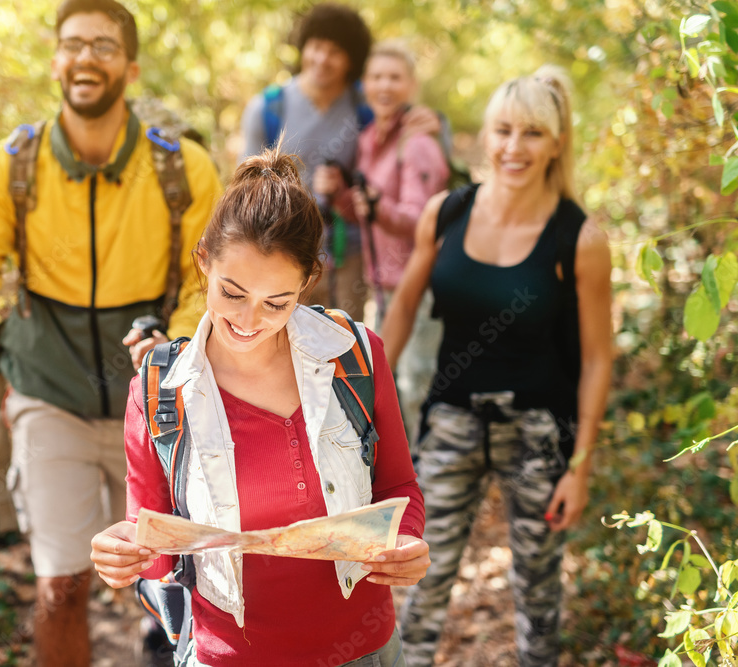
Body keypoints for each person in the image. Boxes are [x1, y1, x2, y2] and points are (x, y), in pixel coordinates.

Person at [0, 1, 221, 664]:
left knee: (170, 578)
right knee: (61, 580)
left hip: (154, 400)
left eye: (101, 45)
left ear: (130, 65)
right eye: (72, 44)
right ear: (56, 59)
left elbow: (206, 280)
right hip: (47, 392)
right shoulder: (11, 166)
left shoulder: (183, 169)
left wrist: (172, 345)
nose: (85, 57)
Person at [90, 148, 430, 666]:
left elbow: (397, 487)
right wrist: (123, 554)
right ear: (204, 259)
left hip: (363, 649)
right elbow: (157, 551)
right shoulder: (161, 390)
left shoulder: (354, 356)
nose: (250, 320)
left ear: (307, 283)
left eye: (277, 303)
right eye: (232, 293)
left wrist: (406, 543)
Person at [380, 65, 612, 666]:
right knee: (419, 580)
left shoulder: (578, 238)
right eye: (503, 130)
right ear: (485, 135)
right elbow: (403, 308)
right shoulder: (447, 213)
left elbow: (597, 359)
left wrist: (580, 466)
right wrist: (368, 402)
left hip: (538, 432)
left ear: (557, 142)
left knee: (537, 595)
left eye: (532, 133)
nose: (514, 147)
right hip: (452, 422)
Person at [240, 3, 437, 322]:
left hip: (350, 255)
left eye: (335, 51)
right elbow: (245, 190)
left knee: (345, 349)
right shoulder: (267, 108)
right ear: (303, 47)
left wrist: (432, 123)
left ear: (352, 60)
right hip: (283, 251)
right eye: (316, 47)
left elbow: (407, 131)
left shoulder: (366, 105)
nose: (322, 59)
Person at [349, 39, 449, 442]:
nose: (384, 86)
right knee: (388, 386)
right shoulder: (370, 138)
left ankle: (433, 481)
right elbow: (367, 209)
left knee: (416, 385)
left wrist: (378, 206)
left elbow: (423, 218)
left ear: (411, 85)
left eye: (394, 77)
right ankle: (408, 483)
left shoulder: (418, 142)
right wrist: (343, 194)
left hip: (420, 283)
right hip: (386, 284)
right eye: (376, 77)